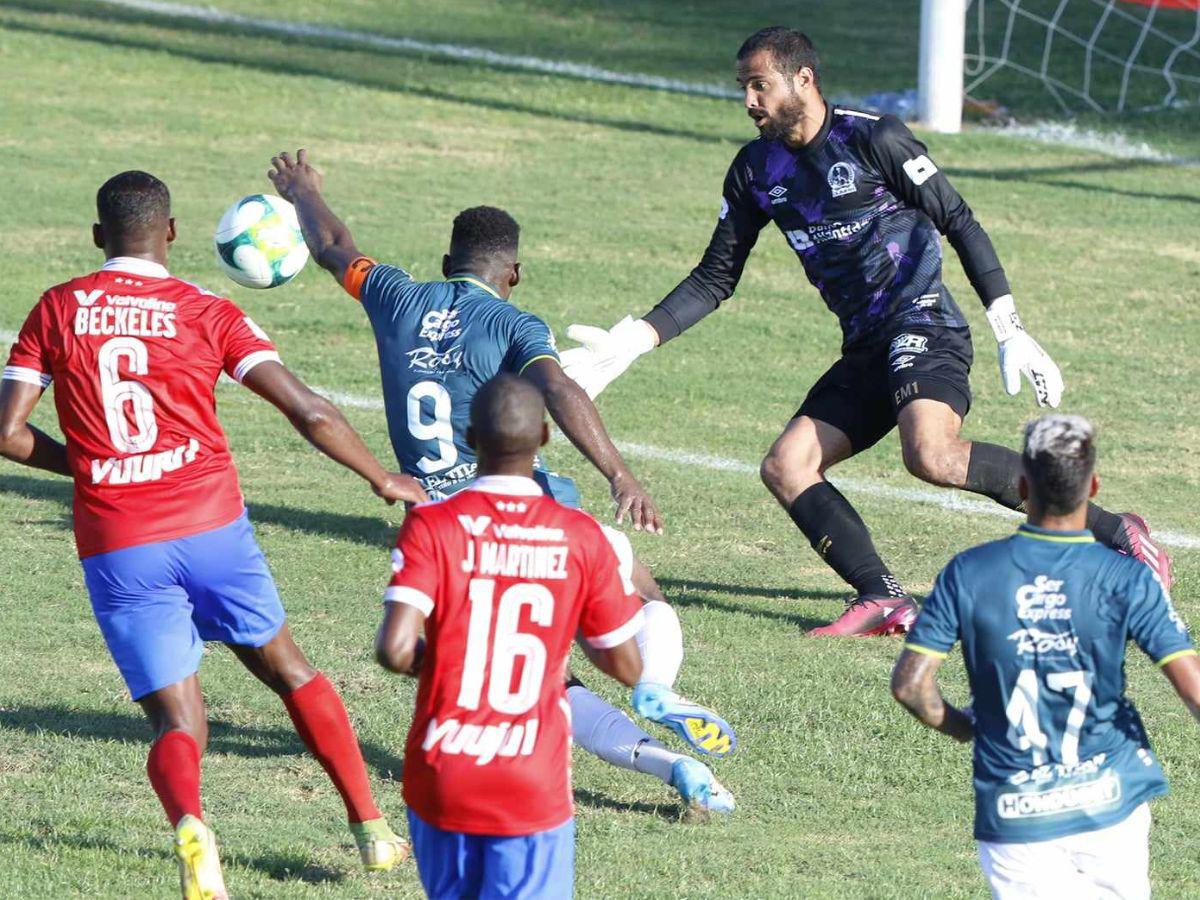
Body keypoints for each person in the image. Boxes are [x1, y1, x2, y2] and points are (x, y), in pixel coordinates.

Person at [557, 26, 1171, 636]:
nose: (748, 100)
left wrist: (1009, 327)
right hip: (867, 346)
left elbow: (958, 220)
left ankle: (1119, 533)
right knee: (787, 466)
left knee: (930, 454)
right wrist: (634, 339)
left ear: (803, 79)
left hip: (924, 324)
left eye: (759, 85)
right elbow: (715, 278)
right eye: (743, 87)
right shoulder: (755, 170)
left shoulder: (874, 138)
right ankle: (883, 597)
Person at [0, 171, 428, 899]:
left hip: (118, 542)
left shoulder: (58, 308)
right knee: (288, 669)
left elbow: (7, 434)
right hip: (212, 531)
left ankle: (193, 825)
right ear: (171, 234)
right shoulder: (206, 310)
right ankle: (372, 830)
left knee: (176, 715)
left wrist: (100, 466)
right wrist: (379, 477)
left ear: (99, 237)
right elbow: (310, 410)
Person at [265, 149, 735, 813]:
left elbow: (335, 247)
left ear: (445, 263)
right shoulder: (513, 323)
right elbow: (560, 388)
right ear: (512, 272)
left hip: (444, 532)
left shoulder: (396, 295)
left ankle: (673, 769)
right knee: (634, 587)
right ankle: (654, 684)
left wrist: (303, 192)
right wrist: (620, 473)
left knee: (545, 681)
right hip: (525, 509)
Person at [891, 414, 1200, 899]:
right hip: (1111, 802)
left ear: (1020, 485)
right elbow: (1194, 689)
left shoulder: (968, 573)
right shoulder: (1128, 580)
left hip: (1016, 811)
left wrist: (967, 727)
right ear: (1093, 485)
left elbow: (911, 686)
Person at [375, 374, 646, 899]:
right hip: (529, 777)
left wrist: (450, 660)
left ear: (470, 437)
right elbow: (627, 666)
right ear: (544, 438)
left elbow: (394, 649)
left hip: (442, 770)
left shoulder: (432, 524)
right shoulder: (579, 534)